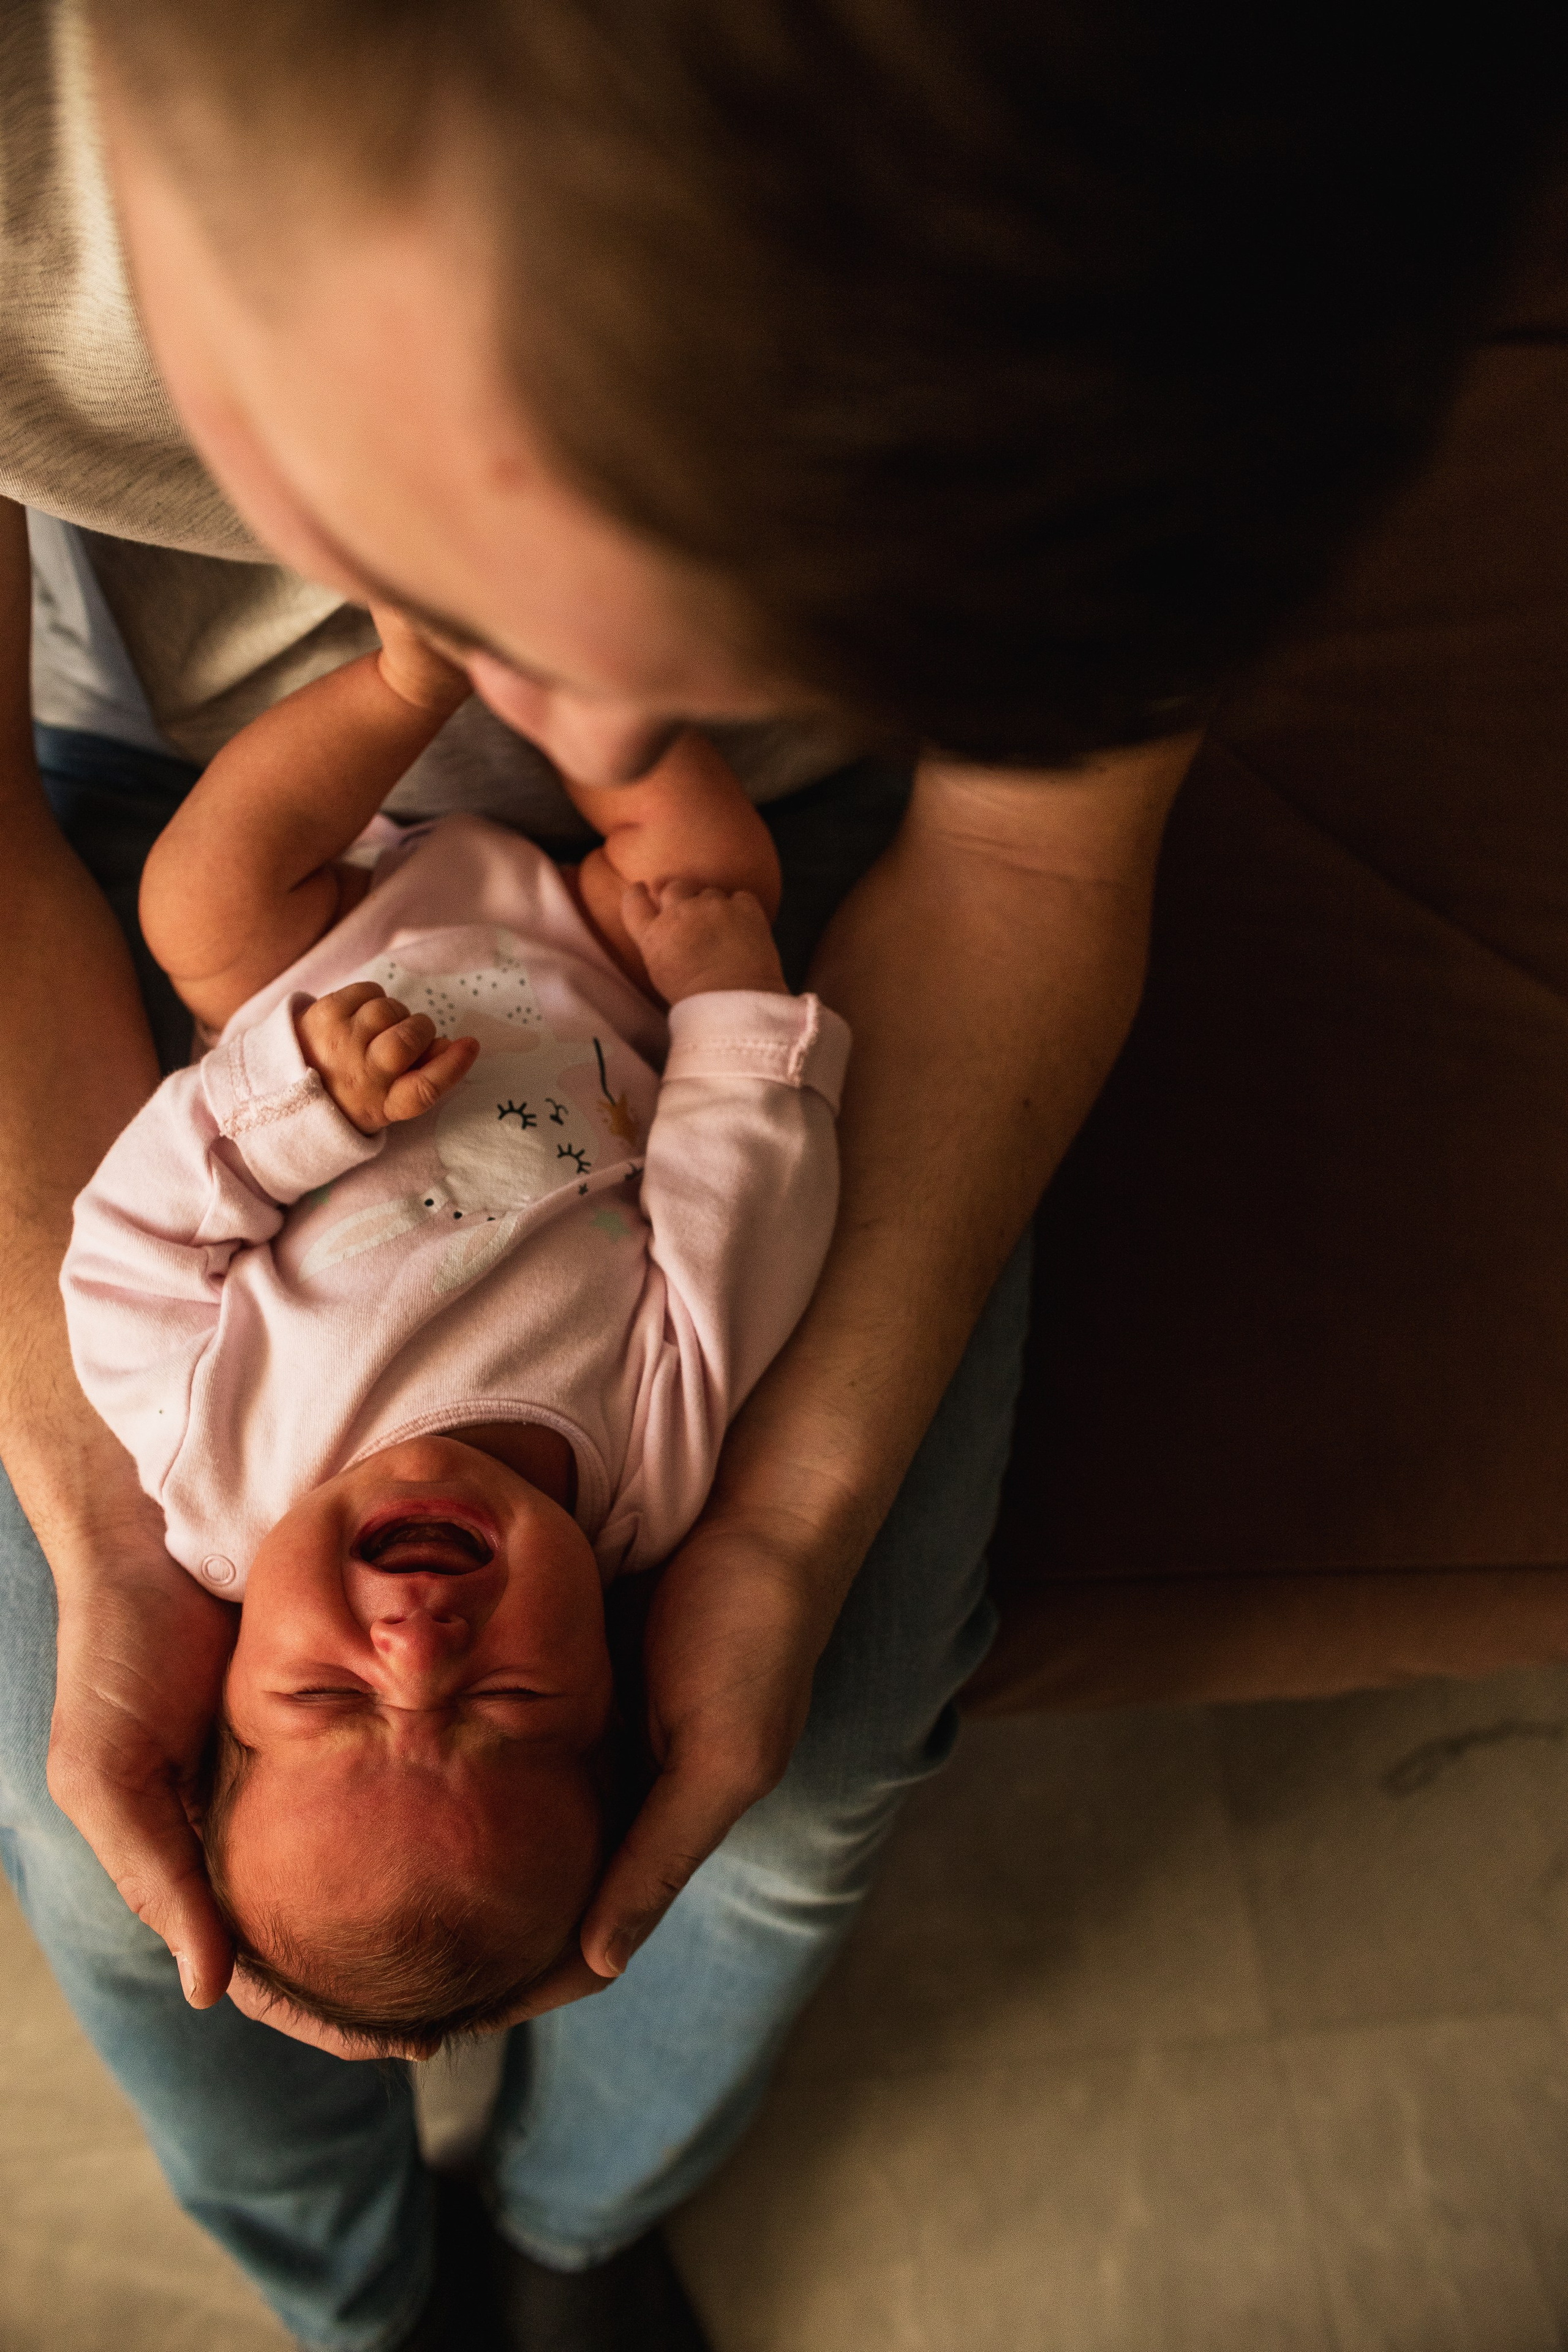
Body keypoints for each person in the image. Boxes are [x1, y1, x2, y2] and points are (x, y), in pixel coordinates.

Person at [1, 1, 1562, 2347]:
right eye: (478, 540)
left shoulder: (1228, 204)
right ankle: (340, 2300)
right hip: (256, 840)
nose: (604, 732)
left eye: (712, 630)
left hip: (701, 937)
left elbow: (1019, 867)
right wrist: (103, 1517)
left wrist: (789, 1527)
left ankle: (574, 2231)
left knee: (803, 1783)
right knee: (100, 1865)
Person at [60, 610, 846, 2055]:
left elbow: (128, 1245)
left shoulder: (214, 1476)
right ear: (611, 1689)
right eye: (507, 1697)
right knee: (718, 875)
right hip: (600, 963)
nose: (417, 1649)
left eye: (323, 1694)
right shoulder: (645, 1480)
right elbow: (741, 1222)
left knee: (197, 899)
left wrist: (304, 1104)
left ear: (225, 1682)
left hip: (318, 957)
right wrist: (726, 1002)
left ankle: (412, 673)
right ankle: (574, 665)